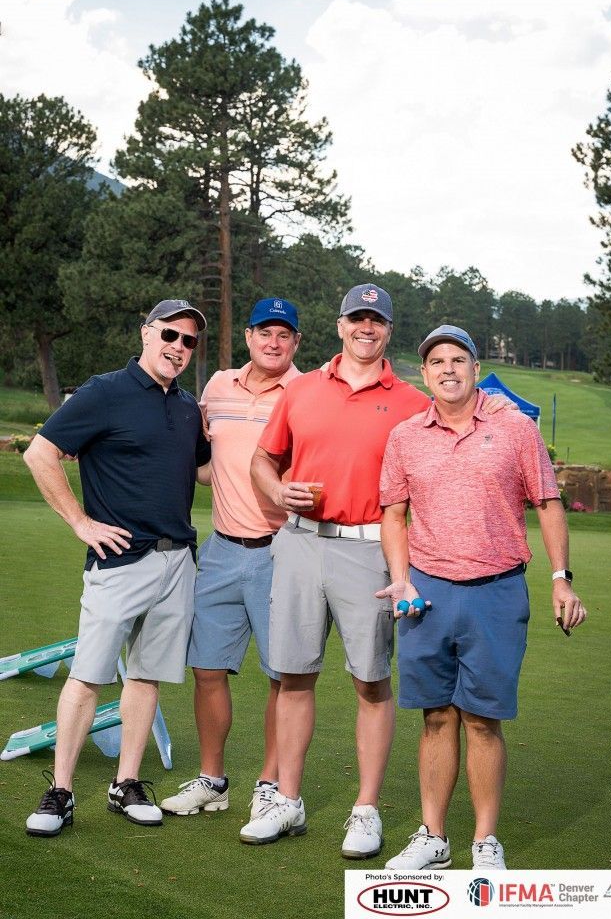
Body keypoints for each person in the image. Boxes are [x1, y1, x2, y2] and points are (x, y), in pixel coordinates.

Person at [246, 287, 508, 858]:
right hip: (300, 543)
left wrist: (503, 409)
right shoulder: (302, 389)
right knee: (293, 675)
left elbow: (467, 410)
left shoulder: (413, 400)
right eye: (357, 319)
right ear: (341, 326)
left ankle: (366, 810)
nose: (367, 328)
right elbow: (263, 459)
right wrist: (277, 491)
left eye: (377, 321)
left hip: (370, 550)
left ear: (388, 330)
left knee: (370, 681)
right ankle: (286, 800)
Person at [378, 324, 587, 871]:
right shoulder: (405, 436)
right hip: (426, 593)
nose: (447, 369)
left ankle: (485, 840)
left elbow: (548, 504)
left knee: (482, 720)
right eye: (436, 361)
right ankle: (433, 837)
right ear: (424, 374)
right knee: (436, 717)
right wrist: (401, 577)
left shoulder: (515, 428)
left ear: (475, 369)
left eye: (458, 359)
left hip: (496, 591)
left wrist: (560, 577)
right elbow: (393, 515)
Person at [22, 299, 211, 836]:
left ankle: (125, 783)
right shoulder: (105, 391)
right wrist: (81, 523)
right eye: (170, 335)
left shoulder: (187, 407)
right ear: (146, 333)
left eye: (189, 341)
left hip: (178, 560)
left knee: (146, 677)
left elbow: (204, 471)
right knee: (87, 676)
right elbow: (39, 454)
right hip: (120, 560)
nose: (178, 347)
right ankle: (61, 792)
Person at [160, 297, 301, 821]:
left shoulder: (307, 393)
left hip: (281, 551)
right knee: (206, 669)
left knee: (284, 676)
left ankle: (270, 784)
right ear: (248, 336)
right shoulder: (218, 386)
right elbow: (202, 458)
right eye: (265, 332)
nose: (273, 342)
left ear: (296, 342)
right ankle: (212, 780)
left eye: (283, 334)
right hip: (220, 550)